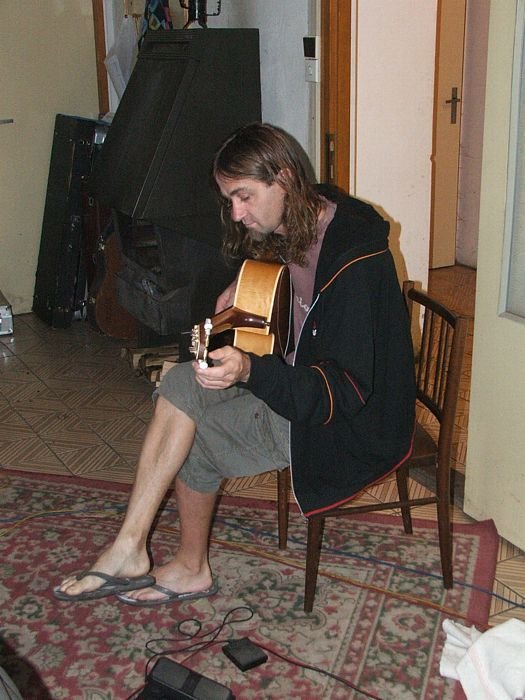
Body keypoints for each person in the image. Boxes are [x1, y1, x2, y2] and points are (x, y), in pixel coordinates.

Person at [54, 123, 415, 605]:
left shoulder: (356, 263)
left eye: (244, 197)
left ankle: (187, 568)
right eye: (230, 200)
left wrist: (250, 370)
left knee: (195, 439)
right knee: (181, 383)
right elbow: (293, 275)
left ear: (284, 179)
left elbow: (341, 390)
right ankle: (130, 547)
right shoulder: (308, 215)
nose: (237, 213)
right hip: (297, 383)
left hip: (346, 423)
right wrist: (247, 288)